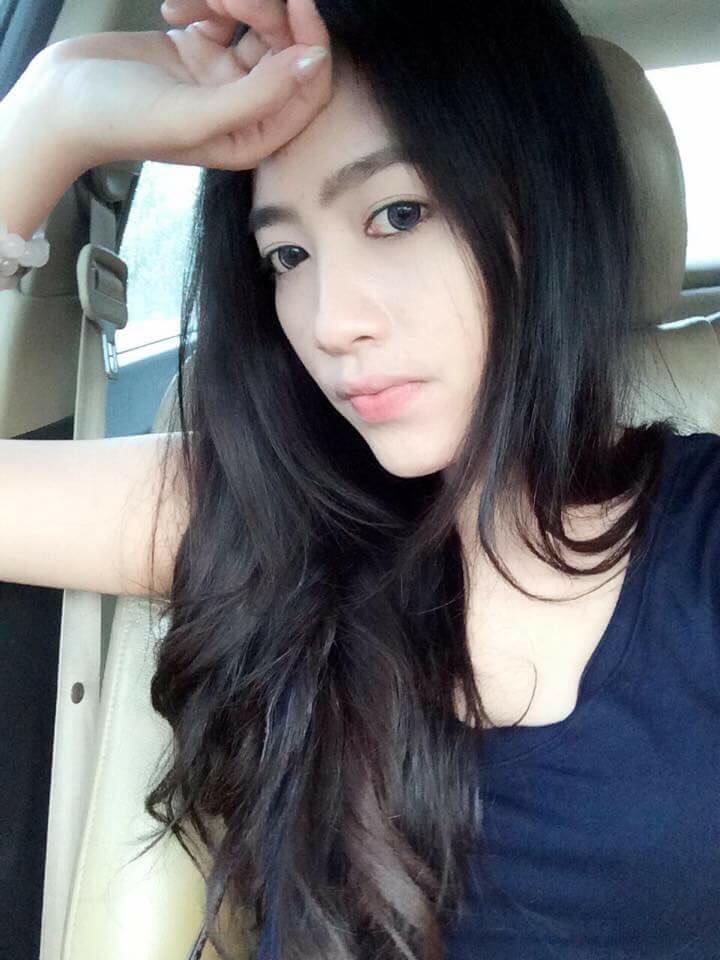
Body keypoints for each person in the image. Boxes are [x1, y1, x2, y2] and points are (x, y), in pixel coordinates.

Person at [1, 0, 719, 958]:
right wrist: (51, 112)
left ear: (546, 207)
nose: (332, 321)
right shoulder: (265, 512)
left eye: (397, 214)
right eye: (287, 255)